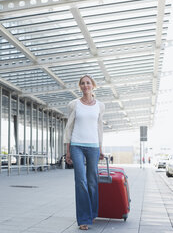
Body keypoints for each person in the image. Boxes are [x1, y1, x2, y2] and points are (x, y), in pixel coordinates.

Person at [64, 75, 105, 231]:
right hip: (77, 146)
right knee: (81, 181)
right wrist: (67, 150)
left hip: (93, 147)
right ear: (80, 86)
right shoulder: (74, 104)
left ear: (93, 85)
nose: (85, 85)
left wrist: (101, 148)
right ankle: (84, 218)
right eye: (82, 83)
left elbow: (99, 128)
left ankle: (92, 213)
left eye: (88, 83)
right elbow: (69, 128)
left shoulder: (100, 106)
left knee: (93, 181)